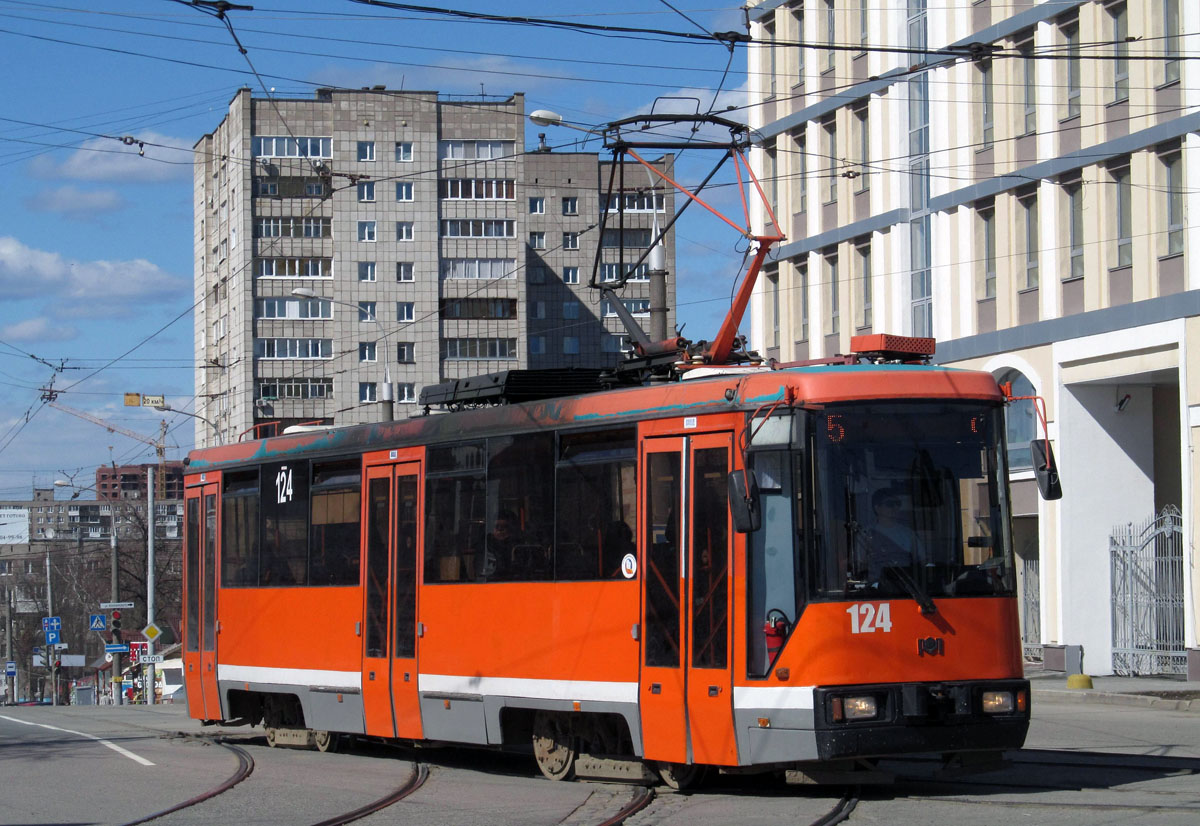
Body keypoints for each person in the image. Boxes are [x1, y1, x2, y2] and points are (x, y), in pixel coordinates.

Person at [867, 487, 921, 583]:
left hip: (906, 587)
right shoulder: (866, 534)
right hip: (876, 589)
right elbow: (860, 564)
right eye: (890, 504)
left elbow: (922, 560)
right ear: (877, 508)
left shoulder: (908, 534)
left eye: (898, 504)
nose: (895, 507)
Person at [483, 510, 521, 580]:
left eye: (504, 526)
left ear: (511, 529)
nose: (500, 530)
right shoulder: (484, 545)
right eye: (497, 526)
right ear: (491, 528)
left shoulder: (519, 547)